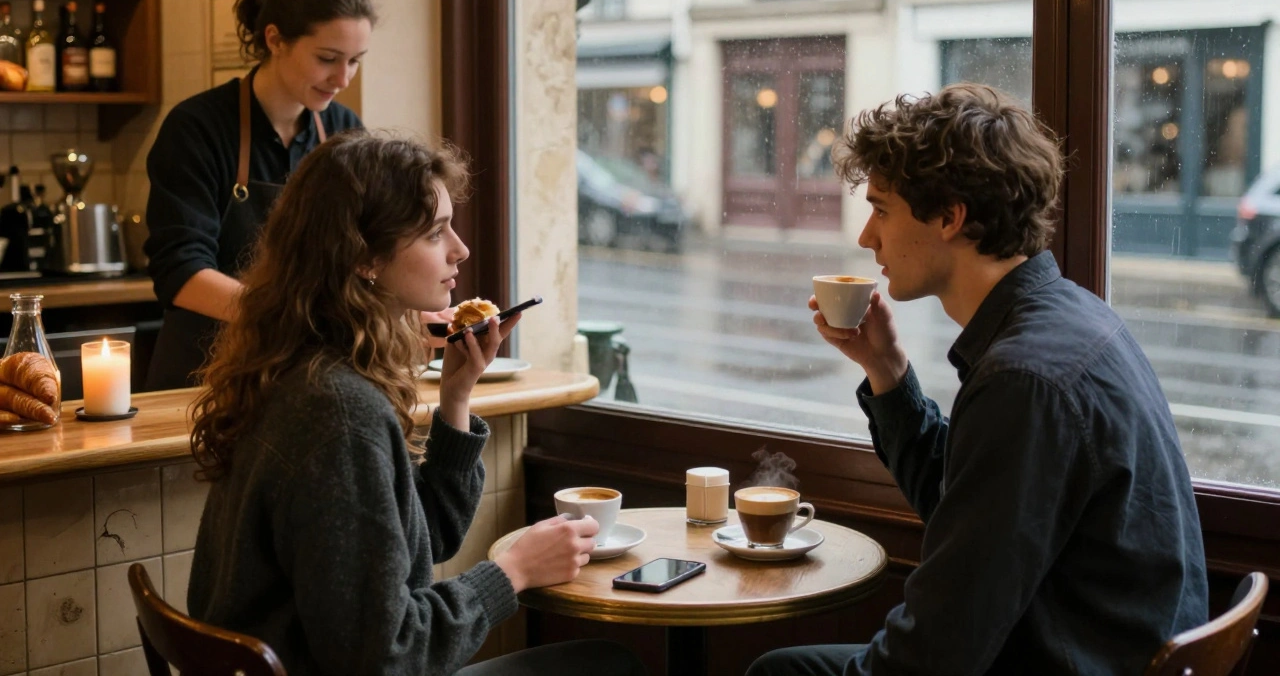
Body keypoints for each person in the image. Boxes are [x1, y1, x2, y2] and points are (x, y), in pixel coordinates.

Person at [748, 83, 1208, 675]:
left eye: (882, 209)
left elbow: (938, 651)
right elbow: (957, 506)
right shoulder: (1074, 316)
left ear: (950, 216)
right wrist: (885, 368)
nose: (867, 237)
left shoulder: (1025, 379)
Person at [185, 131, 646, 676]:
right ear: (364, 255)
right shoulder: (338, 410)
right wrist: (511, 573)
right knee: (606, 664)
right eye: (435, 232)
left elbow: (415, 545)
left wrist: (456, 396)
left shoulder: (296, 367)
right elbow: (385, 654)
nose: (461, 249)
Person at [142, 0, 451, 390]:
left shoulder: (344, 132)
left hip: (308, 375)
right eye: (327, 59)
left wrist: (408, 310)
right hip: (204, 373)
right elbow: (181, 271)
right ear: (275, 39)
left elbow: (364, 254)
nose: (342, 78)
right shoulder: (198, 127)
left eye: (355, 62)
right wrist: (296, 316)